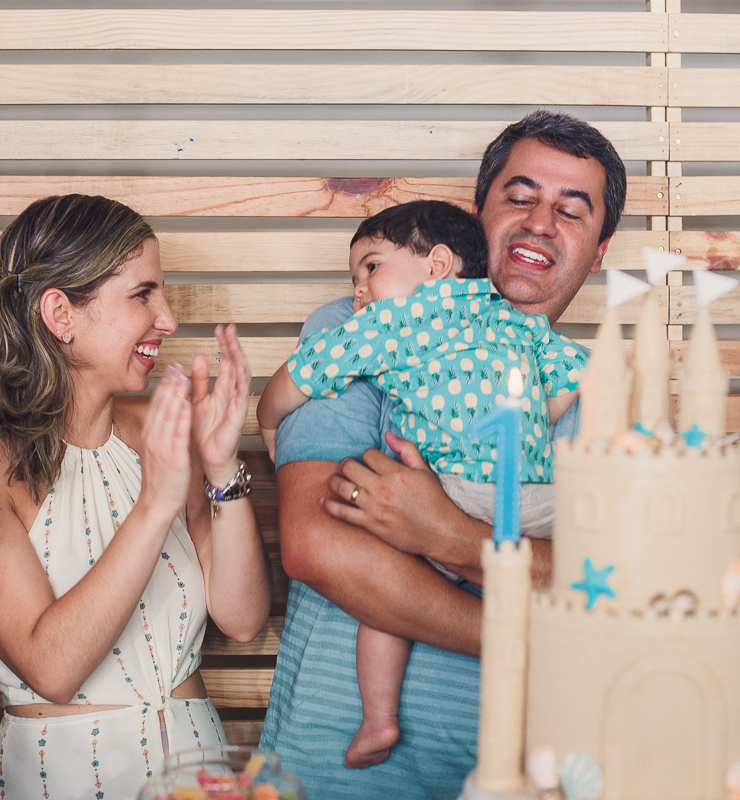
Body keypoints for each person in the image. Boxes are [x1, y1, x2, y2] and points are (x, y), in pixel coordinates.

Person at [260, 110, 626, 798]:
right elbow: (319, 546)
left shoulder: (594, 389)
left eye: (571, 210)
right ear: (477, 217)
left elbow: (611, 595)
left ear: (599, 249)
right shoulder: (363, 321)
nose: (540, 223)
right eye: (520, 197)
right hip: (340, 779)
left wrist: (444, 533)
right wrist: (528, 630)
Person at [0, 194, 271, 800]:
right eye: (144, 294)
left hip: (198, 773)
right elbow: (52, 667)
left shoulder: (164, 431)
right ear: (61, 313)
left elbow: (243, 618)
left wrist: (221, 464)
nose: (167, 320)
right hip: (61, 778)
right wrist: (155, 505)